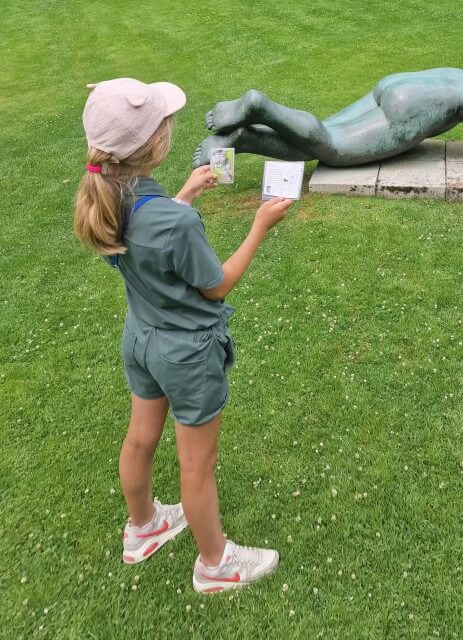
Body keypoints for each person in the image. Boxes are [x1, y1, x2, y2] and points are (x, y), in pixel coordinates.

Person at [74, 78, 293, 593]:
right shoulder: (174, 223)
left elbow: (147, 243)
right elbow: (217, 286)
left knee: (140, 437)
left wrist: (186, 193)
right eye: (165, 123)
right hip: (187, 355)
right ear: (155, 146)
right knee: (197, 465)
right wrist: (259, 224)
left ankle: (143, 527)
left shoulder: (104, 202)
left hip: (141, 343)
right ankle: (215, 564)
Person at [193, 68, 463, 176]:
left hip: (406, 85)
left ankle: (237, 142)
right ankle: (259, 106)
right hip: (418, 109)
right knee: (334, 151)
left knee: (324, 139)